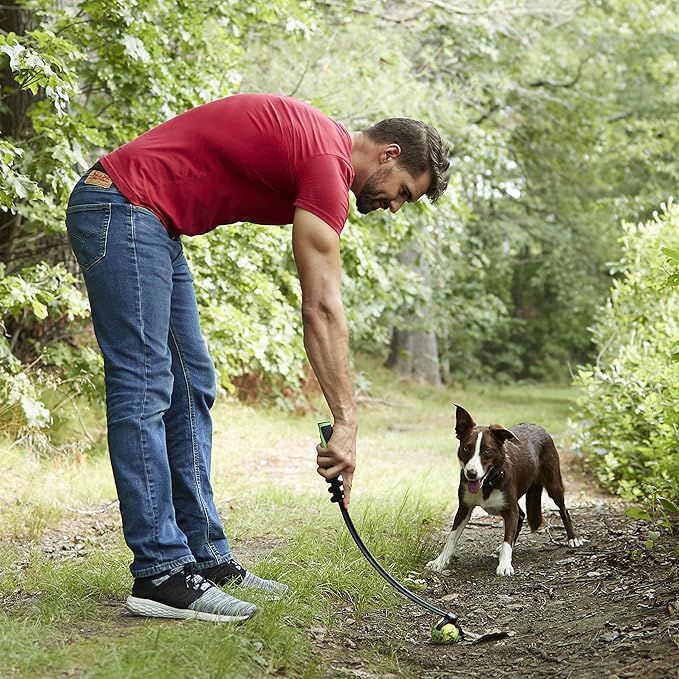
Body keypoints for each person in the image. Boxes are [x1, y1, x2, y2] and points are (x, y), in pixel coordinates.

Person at [65, 92, 450, 623]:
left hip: (151, 222)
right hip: (122, 207)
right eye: (403, 191)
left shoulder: (323, 151)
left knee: (192, 382)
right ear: (386, 154)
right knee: (145, 385)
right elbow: (321, 307)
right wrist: (347, 423)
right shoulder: (327, 165)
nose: (395, 205)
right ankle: (159, 573)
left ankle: (205, 560)